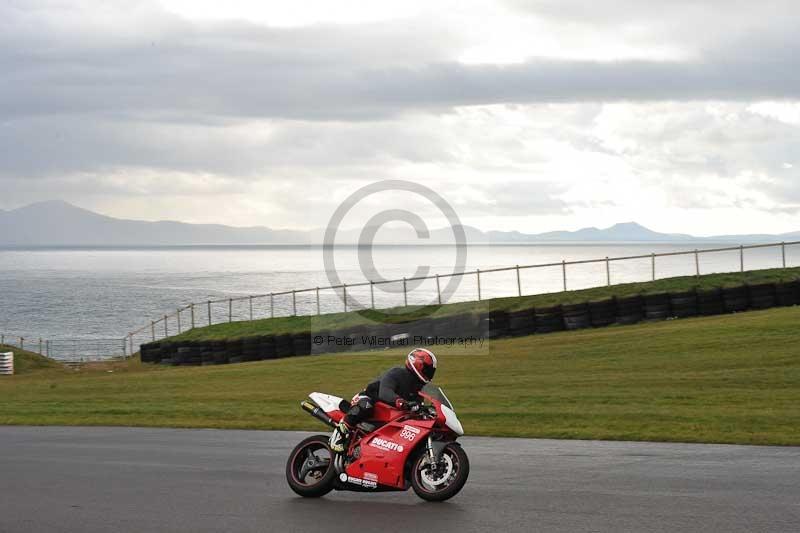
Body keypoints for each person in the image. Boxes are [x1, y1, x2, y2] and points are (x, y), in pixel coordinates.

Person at [329, 347, 437, 453]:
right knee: (366, 406)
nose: (429, 374)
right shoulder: (397, 373)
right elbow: (385, 392)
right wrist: (400, 402)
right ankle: (338, 435)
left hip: (388, 414)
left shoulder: (417, 387)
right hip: (369, 399)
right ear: (418, 365)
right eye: (428, 370)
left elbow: (417, 405)